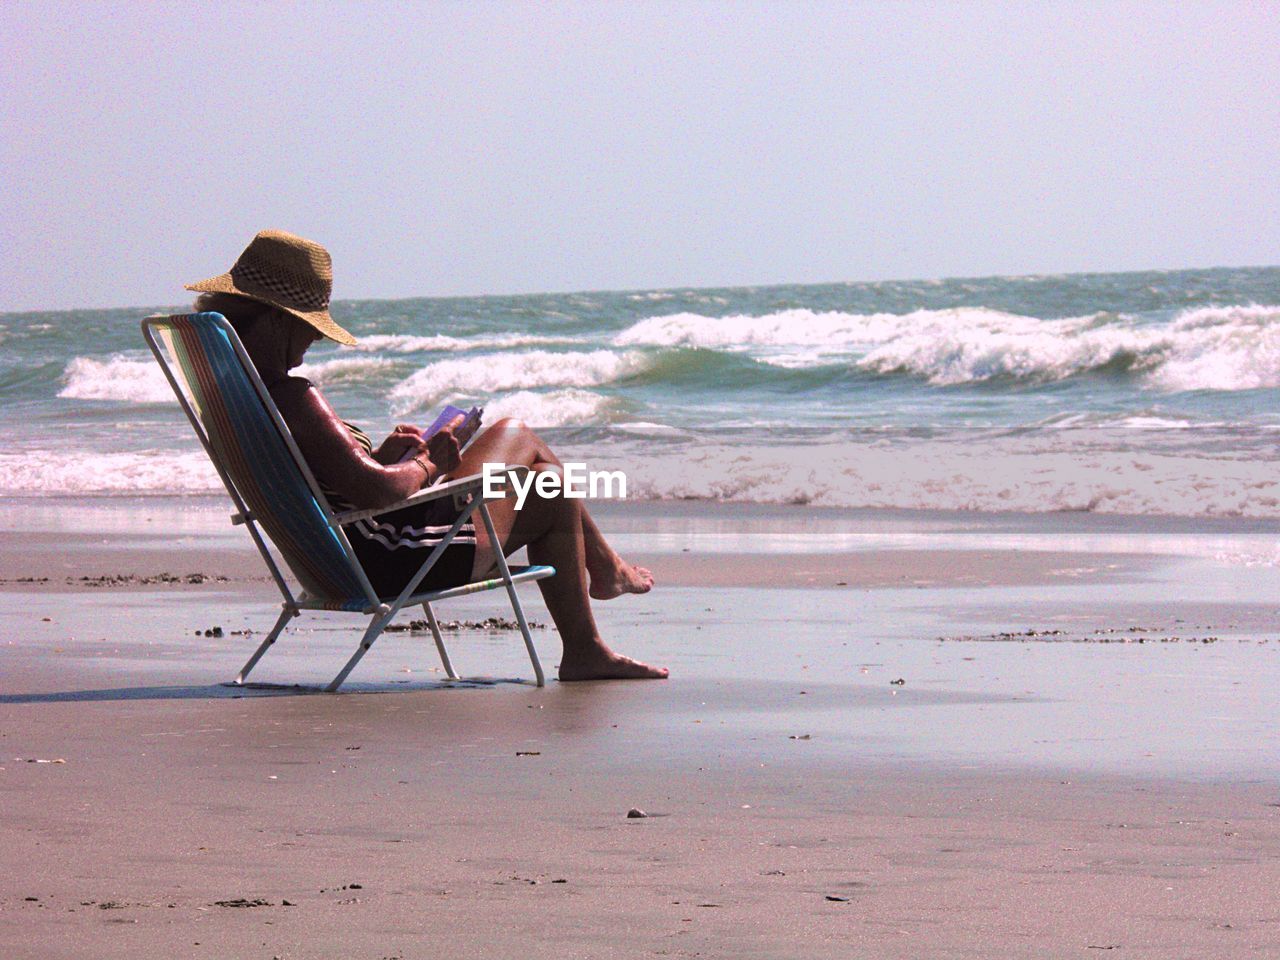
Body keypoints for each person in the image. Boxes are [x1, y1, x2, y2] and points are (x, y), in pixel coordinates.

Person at [186, 229, 666, 681]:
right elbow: (377, 490)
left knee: (539, 476)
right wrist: (431, 462)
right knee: (532, 455)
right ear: (276, 320)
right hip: (393, 558)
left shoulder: (233, 397)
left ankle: (600, 589)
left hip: (336, 561)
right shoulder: (290, 396)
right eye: (309, 327)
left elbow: (335, 479)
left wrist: (377, 453)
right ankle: (598, 596)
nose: (314, 340)